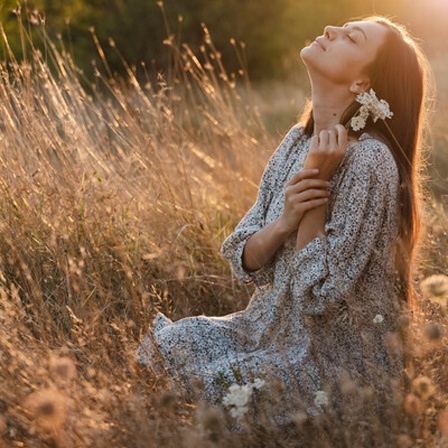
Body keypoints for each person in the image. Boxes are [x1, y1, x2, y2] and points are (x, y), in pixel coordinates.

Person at [137, 16, 430, 424]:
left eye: (351, 38)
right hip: (264, 329)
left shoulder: (371, 160)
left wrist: (317, 184)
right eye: (341, 27)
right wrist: (284, 221)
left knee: (215, 384)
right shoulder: (296, 140)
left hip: (333, 360)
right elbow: (244, 257)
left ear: (363, 84)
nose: (331, 31)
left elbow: (317, 296)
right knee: (170, 344)